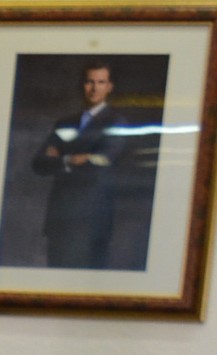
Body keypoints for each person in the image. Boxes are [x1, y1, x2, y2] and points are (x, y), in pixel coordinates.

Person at [30, 62, 155, 270]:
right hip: (60, 219)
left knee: (84, 288)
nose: (94, 88)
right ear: (82, 85)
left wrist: (62, 156)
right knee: (55, 286)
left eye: (100, 82)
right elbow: (39, 163)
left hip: (91, 219)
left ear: (110, 86)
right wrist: (71, 159)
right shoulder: (64, 123)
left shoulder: (116, 122)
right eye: (89, 82)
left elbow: (102, 161)